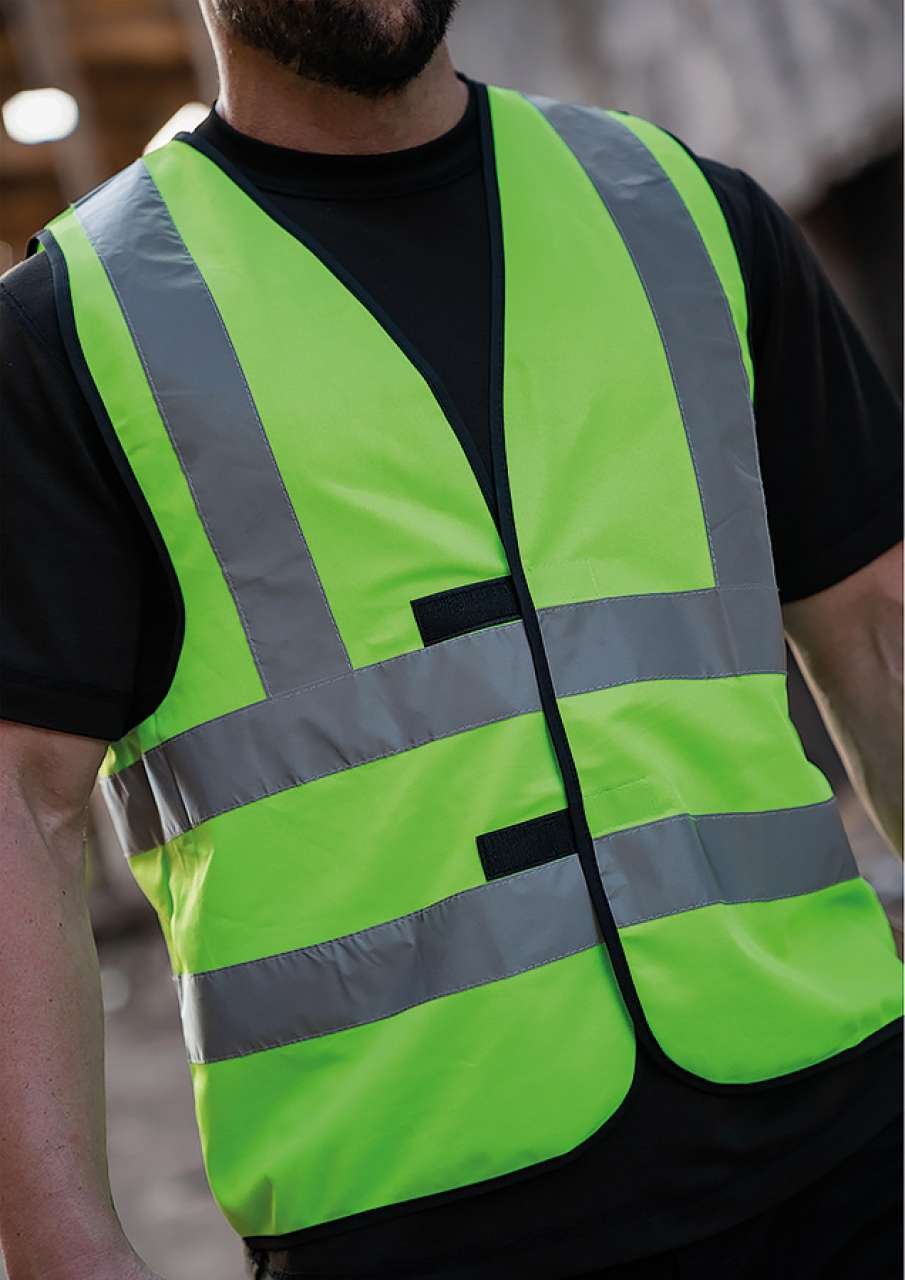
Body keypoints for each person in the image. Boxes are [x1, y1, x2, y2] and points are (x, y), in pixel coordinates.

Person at [0, 3, 902, 1278]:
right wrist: (59, 1246)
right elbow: (21, 804)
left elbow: (875, 629)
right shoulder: (73, 333)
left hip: (845, 1143)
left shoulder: (680, 211)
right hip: (417, 1216)